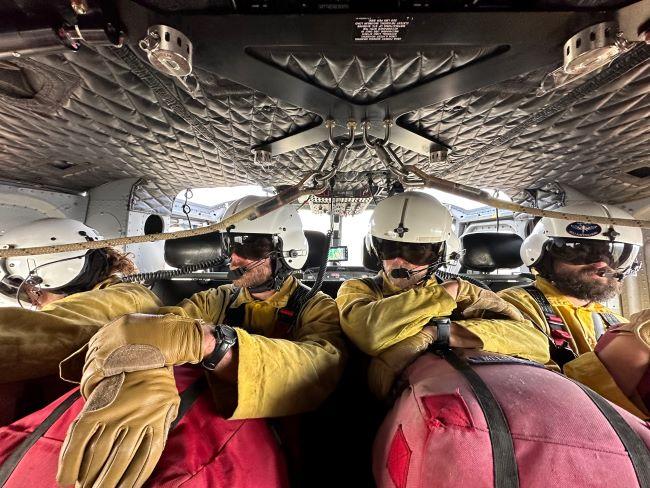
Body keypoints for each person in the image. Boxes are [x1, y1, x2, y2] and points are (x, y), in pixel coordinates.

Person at [56, 196, 346, 488]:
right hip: (217, 429)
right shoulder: (217, 298)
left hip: (293, 432)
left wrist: (214, 344)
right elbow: (171, 322)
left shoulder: (316, 305)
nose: (235, 259)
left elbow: (321, 364)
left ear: (287, 249)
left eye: (249, 246)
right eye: (231, 246)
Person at [335, 191, 550, 399]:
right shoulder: (356, 289)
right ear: (374, 250)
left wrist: (441, 333)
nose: (399, 261)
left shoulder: (466, 296)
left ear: (442, 254)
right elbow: (370, 334)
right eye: (389, 248)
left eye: (417, 251)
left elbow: (537, 344)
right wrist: (447, 294)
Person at [0, 218, 160, 423]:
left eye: (35, 293)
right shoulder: (114, 296)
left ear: (57, 273)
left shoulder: (126, 298)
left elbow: (47, 330)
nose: (35, 303)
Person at [499, 202, 649, 418]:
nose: (601, 264)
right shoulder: (514, 306)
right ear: (544, 256)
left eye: (616, 255)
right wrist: (630, 348)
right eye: (581, 252)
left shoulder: (616, 320)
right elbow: (530, 397)